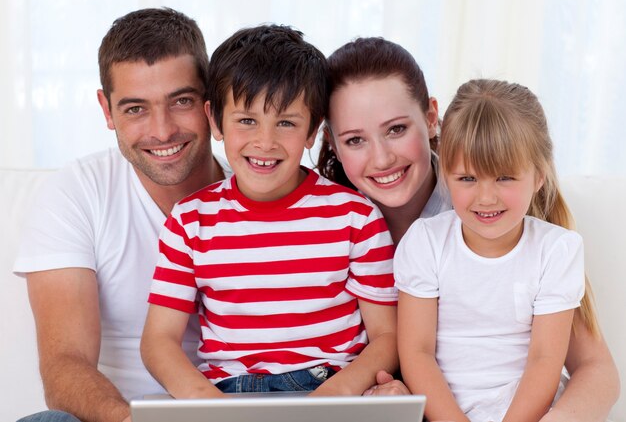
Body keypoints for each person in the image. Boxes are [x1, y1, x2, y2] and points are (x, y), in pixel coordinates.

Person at [318, 37, 619, 421]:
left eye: (395, 129)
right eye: (355, 139)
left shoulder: (499, 217)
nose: (381, 157)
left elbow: (592, 368)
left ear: (431, 119)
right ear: (331, 141)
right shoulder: (321, 226)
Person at [140, 24, 398, 398]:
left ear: (313, 130)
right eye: (247, 120)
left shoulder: (356, 218)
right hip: (224, 392)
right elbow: (158, 340)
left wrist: (336, 396)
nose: (265, 142)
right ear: (215, 120)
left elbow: (387, 337)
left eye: (286, 123)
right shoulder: (189, 221)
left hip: (325, 385)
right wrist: (204, 402)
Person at [13, 7, 227, 422]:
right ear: (107, 110)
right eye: (135, 109)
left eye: (180, 101)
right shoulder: (77, 192)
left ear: (209, 102)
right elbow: (65, 365)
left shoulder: (263, 187)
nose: (162, 131)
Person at [395, 78, 585, 422]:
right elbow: (417, 352)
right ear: (446, 175)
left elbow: (545, 358)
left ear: (538, 176)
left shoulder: (557, 249)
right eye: (467, 178)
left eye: (504, 178)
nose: (485, 198)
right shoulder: (425, 241)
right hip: (444, 413)